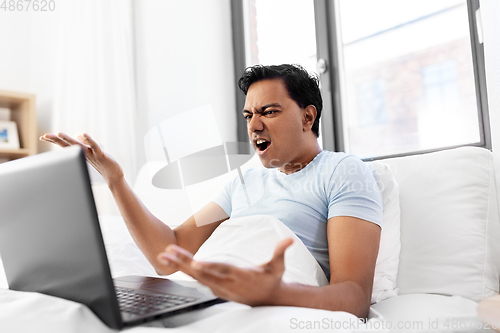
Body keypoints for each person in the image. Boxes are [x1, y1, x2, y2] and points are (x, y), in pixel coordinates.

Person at [40, 64, 382, 319]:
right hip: (206, 296)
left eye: (269, 112)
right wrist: (116, 181)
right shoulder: (243, 182)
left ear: (308, 117)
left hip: (271, 302)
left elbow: (354, 298)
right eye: (248, 115)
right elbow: (168, 253)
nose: (254, 125)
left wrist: (274, 292)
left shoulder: (343, 171)